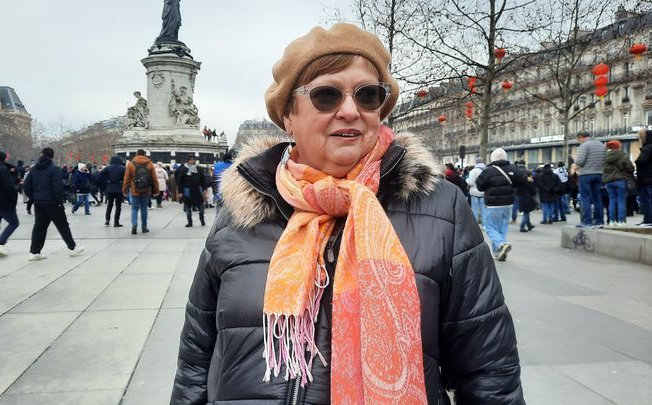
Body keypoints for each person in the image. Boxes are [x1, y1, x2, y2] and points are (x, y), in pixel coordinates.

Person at [171, 23, 523, 404]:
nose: (351, 111)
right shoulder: (244, 211)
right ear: (288, 115)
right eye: (326, 95)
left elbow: (489, 371)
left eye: (368, 95)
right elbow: (195, 360)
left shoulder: (441, 208)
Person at [23, 147, 85, 260]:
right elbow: (57, 187)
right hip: (52, 202)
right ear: (52, 156)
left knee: (39, 226)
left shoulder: (34, 169)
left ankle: (34, 252)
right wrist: (59, 202)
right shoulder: (54, 169)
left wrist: (34, 196)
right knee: (62, 225)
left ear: (41, 154)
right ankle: (72, 248)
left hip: (39, 202)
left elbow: (26, 186)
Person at [476, 147, 526, 261]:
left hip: (493, 204)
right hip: (508, 202)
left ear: (492, 158)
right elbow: (522, 182)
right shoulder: (513, 168)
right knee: (503, 227)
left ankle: (501, 244)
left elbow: (480, 186)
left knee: (489, 226)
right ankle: (498, 251)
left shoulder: (488, 171)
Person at [122, 149, 159, 234]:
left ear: (136, 154)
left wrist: (124, 189)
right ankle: (144, 227)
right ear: (145, 154)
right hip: (146, 190)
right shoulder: (149, 164)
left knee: (134, 208)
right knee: (144, 209)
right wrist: (156, 190)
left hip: (135, 190)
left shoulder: (131, 164)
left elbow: (126, 178)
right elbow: (154, 178)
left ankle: (134, 224)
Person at [574, 131, 606, 228]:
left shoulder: (584, 146)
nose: (578, 141)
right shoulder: (601, 145)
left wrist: (574, 159)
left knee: (585, 198)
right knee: (597, 198)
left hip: (586, 174)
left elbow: (580, 162)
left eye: (578, 139)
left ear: (581, 137)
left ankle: (587, 222)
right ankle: (599, 221)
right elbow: (605, 160)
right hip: (599, 173)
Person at [603, 140, 634, 227]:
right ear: (618, 147)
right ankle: (621, 221)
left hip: (609, 182)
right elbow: (630, 168)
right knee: (621, 200)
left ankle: (612, 221)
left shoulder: (605, 157)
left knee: (612, 200)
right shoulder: (622, 155)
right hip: (620, 180)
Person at [175, 155, 206, 227]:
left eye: (195, 160)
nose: (194, 161)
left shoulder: (199, 169)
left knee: (201, 208)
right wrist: (180, 192)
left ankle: (202, 219)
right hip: (187, 190)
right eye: (193, 160)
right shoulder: (183, 170)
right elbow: (179, 182)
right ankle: (190, 222)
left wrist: (204, 188)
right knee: (188, 208)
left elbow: (203, 179)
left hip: (197, 190)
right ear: (189, 161)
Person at [98, 155, 126, 227]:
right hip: (119, 189)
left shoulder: (108, 168)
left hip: (110, 188)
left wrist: (106, 181)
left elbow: (100, 175)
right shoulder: (123, 168)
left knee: (109, 205)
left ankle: (107, 220)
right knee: (118, 206)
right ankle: (116, 222)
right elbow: (126, 177)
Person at [635, 128, 652, 227]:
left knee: (646, 200)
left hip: (646, 178)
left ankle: (648, 220)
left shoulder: (647, 148)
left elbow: (641, 161)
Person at [466, 157, 486, 225]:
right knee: (483, 210)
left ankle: (475, 224)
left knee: (475, 209)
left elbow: (471, 182)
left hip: (474, 192)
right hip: (483, 192)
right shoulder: (485, 170)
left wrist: (466, 180)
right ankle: (484, 225)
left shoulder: (473, 171)